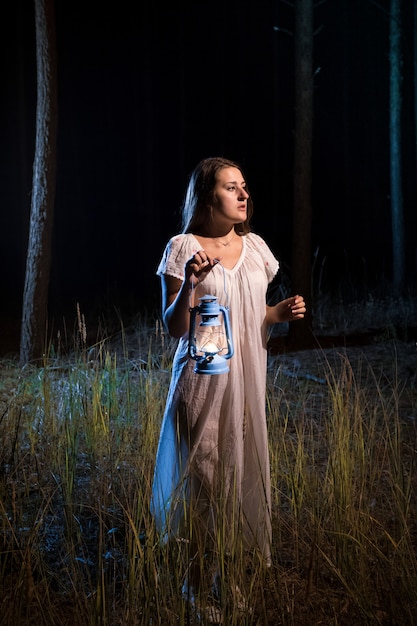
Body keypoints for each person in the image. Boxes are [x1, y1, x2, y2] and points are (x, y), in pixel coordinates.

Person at [150, 156, 306, 618]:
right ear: (206, 198)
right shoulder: (183, 247)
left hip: (246, 385)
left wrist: (276, 314)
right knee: (204, 483)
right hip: (202, 383)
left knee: (239, 480)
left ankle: (229, 578)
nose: (243, 195)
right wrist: (188, 288)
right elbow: (175, 327)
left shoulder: (256, 248)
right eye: (230, 187)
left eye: (244, 186)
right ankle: (195, 584)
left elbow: (248, 315)